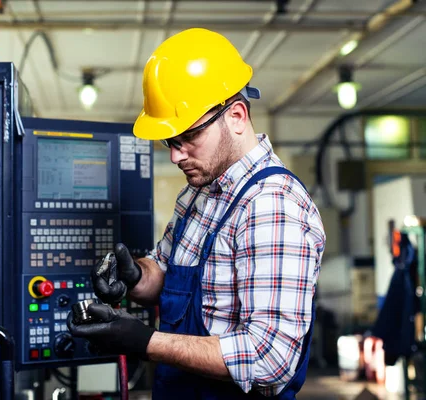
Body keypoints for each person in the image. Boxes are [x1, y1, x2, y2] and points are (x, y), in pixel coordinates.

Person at [67, 28, 326, 399]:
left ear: (236, 116)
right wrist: (137, 275)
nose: (175, 155)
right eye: (170, 142)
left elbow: (271, 360)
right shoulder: (199, 192)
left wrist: (145, 342)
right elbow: (169, 271)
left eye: (188, 136)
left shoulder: (271, 206)